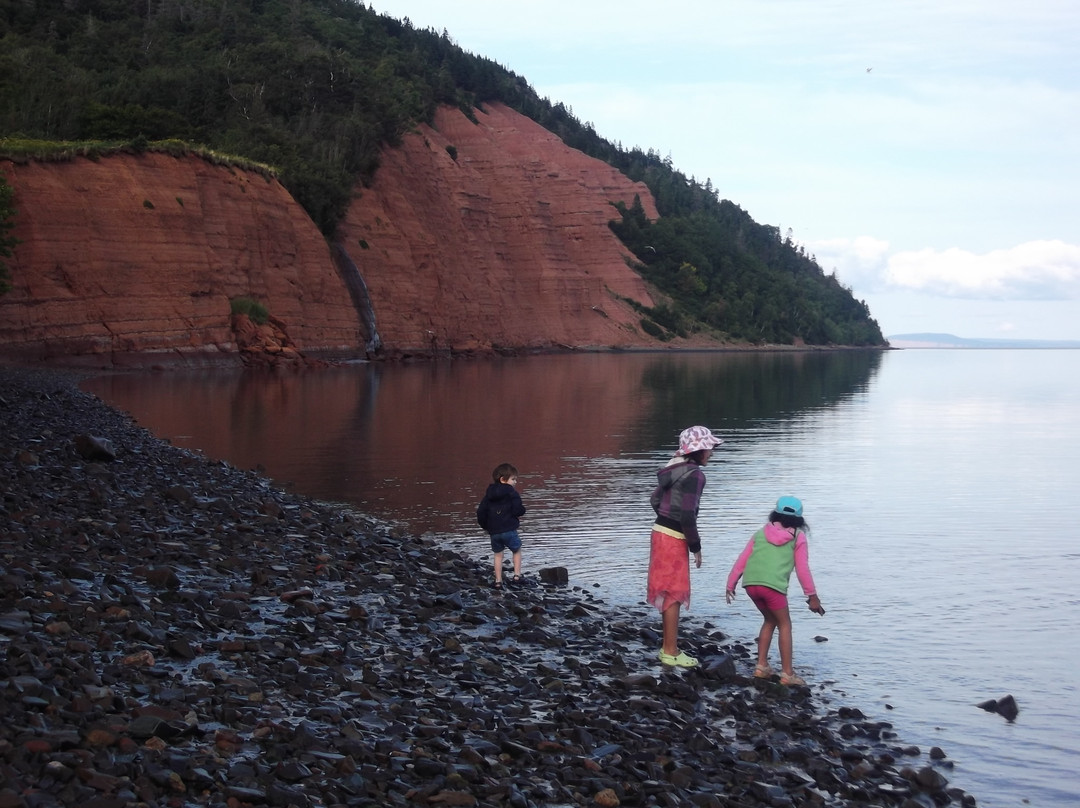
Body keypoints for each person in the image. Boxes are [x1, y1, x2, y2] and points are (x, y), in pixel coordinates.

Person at [725, 496, 825, 686]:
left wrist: (731, 584)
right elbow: (802, 569)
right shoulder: (797, 537)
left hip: (751, 584)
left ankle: (761, 666)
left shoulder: (761, 532)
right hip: (773, 587)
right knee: (785, 624)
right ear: (799, 519)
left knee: (770, 620)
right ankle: (787, 673)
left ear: (775, 514)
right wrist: (812, 596)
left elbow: (742, 559)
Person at [647, 425, 724, 668]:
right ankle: (670, 651)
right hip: (673, 537)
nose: (711, 453)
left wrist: (665, 519)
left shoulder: (674, 469)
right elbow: (688, 515)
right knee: (675, 592)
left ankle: (668, 647)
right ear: (699, 450)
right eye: (709, 449)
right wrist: (696, 546)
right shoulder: (695, 476)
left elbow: (655, 500)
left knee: (667, 590)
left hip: (659, 531)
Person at [476, 462, 526, 590]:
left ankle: (498, 581)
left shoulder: (488, 495)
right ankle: (517, 576)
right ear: (503, 479)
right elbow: (517, 509)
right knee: (517, 550)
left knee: (498, 555)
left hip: (494, 531)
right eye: (513, 479)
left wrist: (486, 526)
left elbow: (481, 512)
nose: (515, 482)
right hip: (509, 529)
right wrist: (521, 511)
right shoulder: (512, 493)